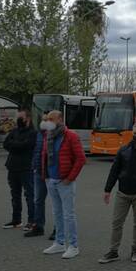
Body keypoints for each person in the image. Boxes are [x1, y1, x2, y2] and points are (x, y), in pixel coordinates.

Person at [99, 122, 136, 264]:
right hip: (122, 192)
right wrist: (107, 190)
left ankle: (135, 249)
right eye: (135, 134)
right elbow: (114, 171)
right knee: (117, 222)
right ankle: (113, 251)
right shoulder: (123, 150)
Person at [41, 110, 86, 259]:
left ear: (60, 119)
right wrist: (45, 176)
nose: (49, 122)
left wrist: (70, 178)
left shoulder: (71, 136)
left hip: (64, 181)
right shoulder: (49, 135)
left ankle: (73, 245)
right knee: (57, 213)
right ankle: (59, 243)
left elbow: (81, 159)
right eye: (48, 120)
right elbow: (45, 156)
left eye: (52, 119)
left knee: (68, 214)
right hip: (52, 180)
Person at [2, 110, 37, 230]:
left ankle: (32, 221)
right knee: (15, 194)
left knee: (30, 195)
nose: (18, 120)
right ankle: (16, 220)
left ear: (27, 118)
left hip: (26, 168)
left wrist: (15, 145)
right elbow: (6, 144)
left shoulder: (33, 133)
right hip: (12, 166)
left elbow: (27, 145)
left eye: (20, 118)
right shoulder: (14, 131)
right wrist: (18, 145)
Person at [25, 113, 50, 238]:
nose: (44, 122)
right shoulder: (39, 134)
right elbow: (36, 151)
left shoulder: (57, 134)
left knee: (58, 203)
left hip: (53, 174)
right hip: (39, 172)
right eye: (42, 119)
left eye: (47, 119)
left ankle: (59, 230)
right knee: (38, 200)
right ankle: (38, 226)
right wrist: (34, 167)